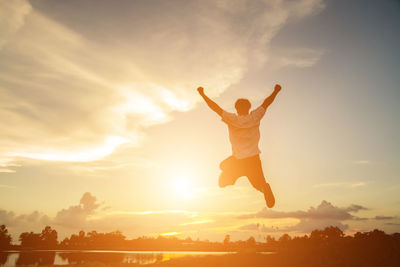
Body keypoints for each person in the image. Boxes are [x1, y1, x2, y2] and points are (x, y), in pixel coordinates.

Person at [197, 84, 282, 208]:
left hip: (238, 161)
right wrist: (276, 91)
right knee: (259, 185)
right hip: (254, 160)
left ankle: (228, 171)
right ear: (249, 108)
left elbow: (215, 108)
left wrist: (203, 95)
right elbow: (266, 103)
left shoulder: (232, 119)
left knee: (222, 181)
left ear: (236, 109)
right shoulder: (255, 116)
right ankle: (265, 187)